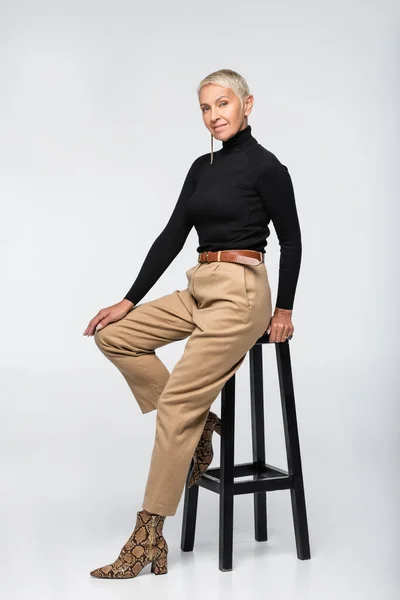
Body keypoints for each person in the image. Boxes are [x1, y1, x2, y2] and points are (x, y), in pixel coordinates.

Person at [83, 68, 302, 579]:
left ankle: (147, 535)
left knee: (177, 401)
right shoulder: (201, 168)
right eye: (205, 107)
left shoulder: (268, 168)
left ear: (248, 105)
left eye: (223, 104)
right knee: (115, 336)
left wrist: (284, 309)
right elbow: (172, 234)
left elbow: (292, 240)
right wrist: (128, 299)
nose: (214, 115)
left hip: (242, 292)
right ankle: (201, 426)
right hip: (200, 285)